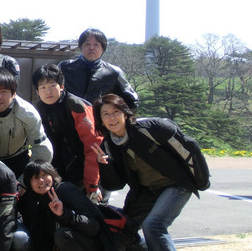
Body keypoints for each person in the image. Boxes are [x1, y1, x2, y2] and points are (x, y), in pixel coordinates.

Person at [92, 94, 206, 251]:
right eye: (106, 114)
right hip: (147, 190)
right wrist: (105, 165)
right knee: (124, 229)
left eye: (116, 112)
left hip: (176, 184)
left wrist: (202, 181)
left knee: (153, 226)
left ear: (125, 113)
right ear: (101, 119)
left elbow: (190, 147)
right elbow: (115, 185)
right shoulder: (108, 145)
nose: (112, 118)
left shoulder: (150, 128)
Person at [32, 63, 103, 200]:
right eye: (43, 87)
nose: (48, 91)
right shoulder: (39, 108)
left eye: (52, 86)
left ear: (62, 86)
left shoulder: (76, 106)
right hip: (56, 168)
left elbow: (93, 147)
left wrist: (92, 185)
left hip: (82, 169)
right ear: (37, 91)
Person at [18, 160, 115, 251]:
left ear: (52, 175)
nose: (41, 180)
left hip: (99, 243)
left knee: (62, 235)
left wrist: (63, 214)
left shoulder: (65, 190)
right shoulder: (40, 201)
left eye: (44, 175)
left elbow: (93, 228)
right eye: (35, 178)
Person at [59, 28, 139, 109]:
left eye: (96, 45)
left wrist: (116, 114)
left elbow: (132, 100)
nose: (91, 48)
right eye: (87, 44)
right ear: (81, 47)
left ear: (103, 49)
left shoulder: (113, 72)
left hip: (98, 116)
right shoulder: (65, 68)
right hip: (70, 115)